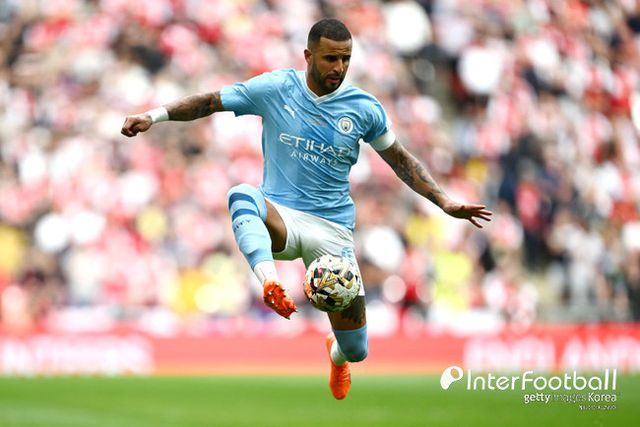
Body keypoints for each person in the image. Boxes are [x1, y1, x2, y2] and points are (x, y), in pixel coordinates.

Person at [121, 18, 492, 399]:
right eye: (331, 58)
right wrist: (154, 116)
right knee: (241, 193)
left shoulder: (364, 108)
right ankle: (269, 281)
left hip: (332, 233)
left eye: (346, 59)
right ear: (308, 56)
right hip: (281, 217)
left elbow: (400, 160)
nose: (339, 68)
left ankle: (336, 354)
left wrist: (444, 200)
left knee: (357, 349)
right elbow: (210, 101)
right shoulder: (276, 88)